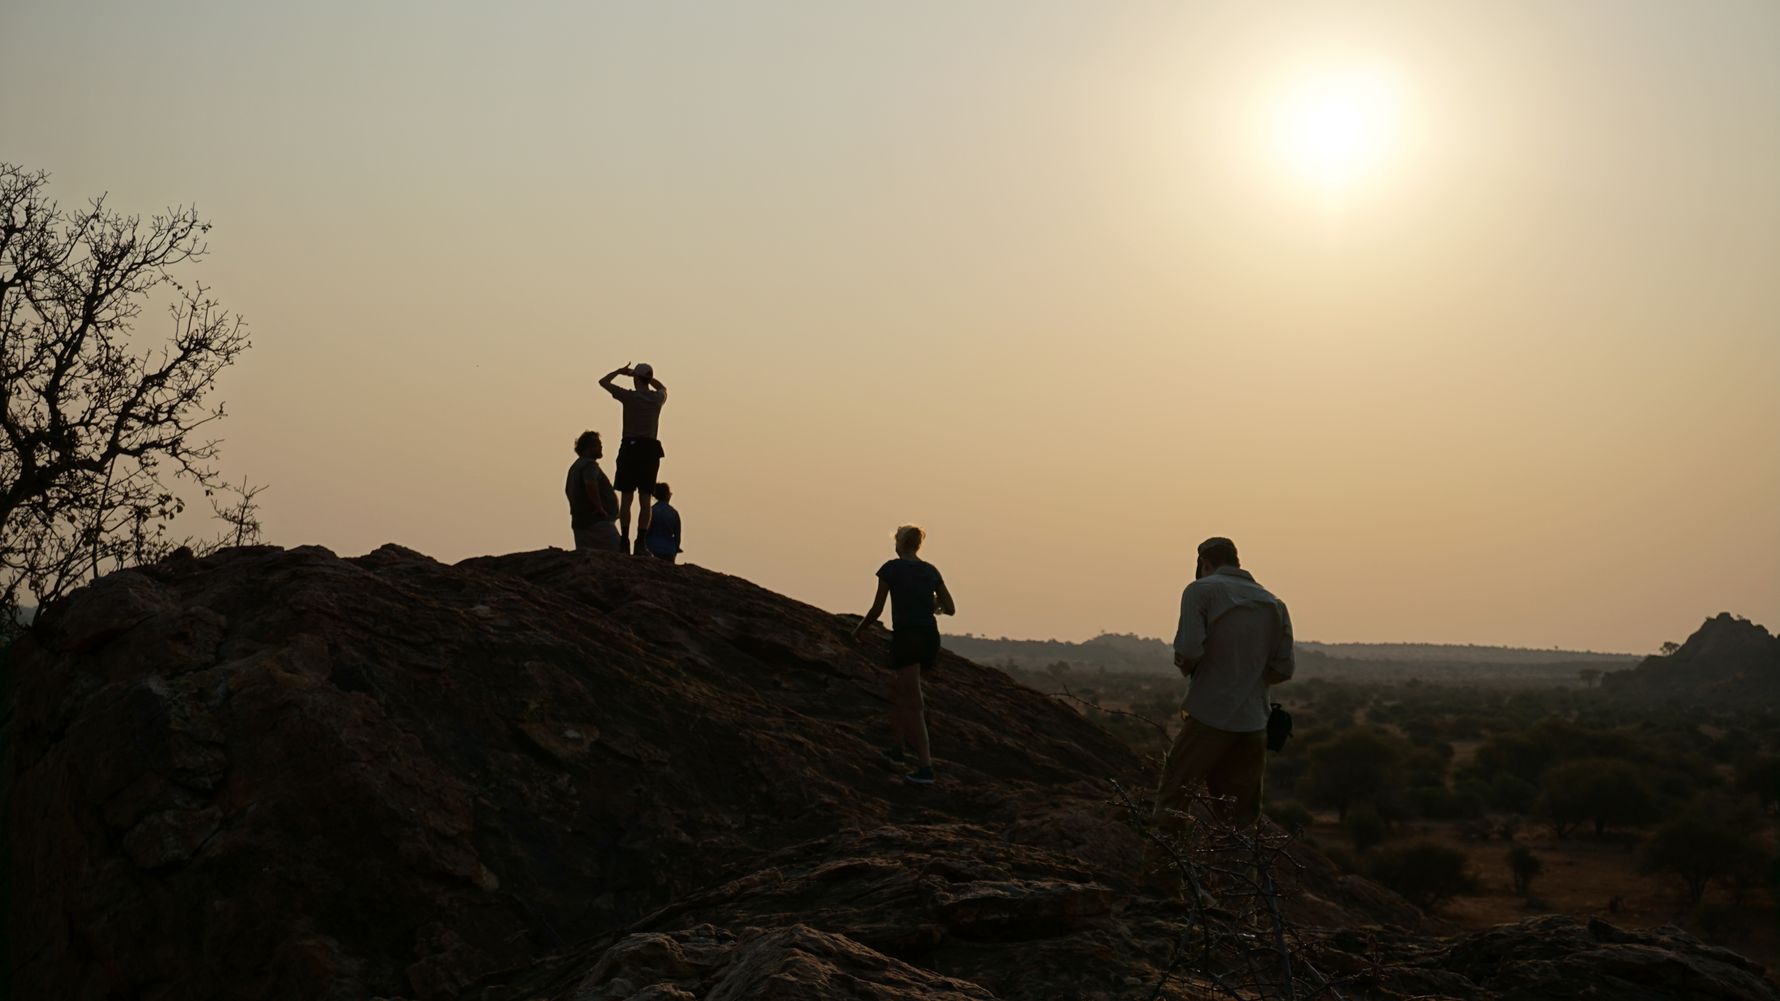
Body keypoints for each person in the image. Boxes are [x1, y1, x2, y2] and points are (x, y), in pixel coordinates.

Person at [1153, 536, 1294, 832]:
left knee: (1174, 801)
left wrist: (1200, 670)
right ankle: (1238, 878)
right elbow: (1283, 668)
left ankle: (1162, 877)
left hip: (1208, 715)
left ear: (1205, 564)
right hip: (1254, 722)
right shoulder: (1273, 603)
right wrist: (1248, 678)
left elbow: (1188, 651)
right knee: (1240, 820)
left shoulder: (1200, 591)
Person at [851, 525, 956, 785]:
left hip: (908, 637)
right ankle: (897, 750)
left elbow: (877, 608)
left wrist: (858, 630)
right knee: (899, 691)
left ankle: (925, 768)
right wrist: (931, 604)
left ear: (899, 543)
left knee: (913, 702)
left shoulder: (891, 568)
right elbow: (950, 608)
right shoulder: (931, 571)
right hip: (929, 636)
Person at [598, 361, 669, 554]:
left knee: (626, 497)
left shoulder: (629, 397)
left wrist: (621, 372)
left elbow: (603, 382)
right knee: (645, 499)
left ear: (636, 378)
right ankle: (640, 542)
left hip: (630, 447)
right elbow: (663, 388)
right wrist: (647, 378)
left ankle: (624, 541)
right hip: (650, 449)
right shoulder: (656, 399)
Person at [565, 431, 622, 552]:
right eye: (598, 444)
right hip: (596, 522)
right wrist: (599, 507)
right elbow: (590, 484)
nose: (601, 447)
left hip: (581, 523)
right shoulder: (589, 465)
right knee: (618, 552)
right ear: (589, 447)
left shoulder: (575, 467)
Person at [644, 482, 682, 563]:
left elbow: (646, 531)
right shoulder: (674, 513)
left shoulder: (651, 511)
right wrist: (675, 549)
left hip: (652, 548)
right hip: (669, 550)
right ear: (668, 496)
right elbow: (677, 537)